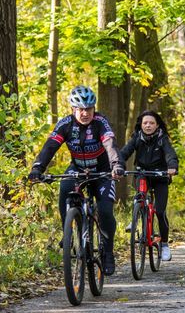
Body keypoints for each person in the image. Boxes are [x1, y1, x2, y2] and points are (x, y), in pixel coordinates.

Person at [28, 85, 125, 275]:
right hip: (78, 168)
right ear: (73, 109)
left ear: (94, 108)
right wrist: (37, 168)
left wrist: (117, 165)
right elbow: (50, 146)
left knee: (105, 211)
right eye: (80, 109)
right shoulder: (65, 124)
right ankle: (68, 233)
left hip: (102, 170)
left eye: (89, 109)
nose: (85, 113)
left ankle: (108, 252)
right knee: (65, 188)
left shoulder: (101, 123)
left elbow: (110, 145)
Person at [121, 110, 179, 261]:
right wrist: (117, 164)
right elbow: (125, 152)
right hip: (142, 174)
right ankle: (136, 217)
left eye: (151, 123)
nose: (148, 125)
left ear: (157, 125)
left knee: (160, 211)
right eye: (145, 123)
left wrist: (172, 166)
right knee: (140, 196)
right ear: (141, 125)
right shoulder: (137, 137)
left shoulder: (162, 138)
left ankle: (164, 244)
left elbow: (170, 154)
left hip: (160, 176)